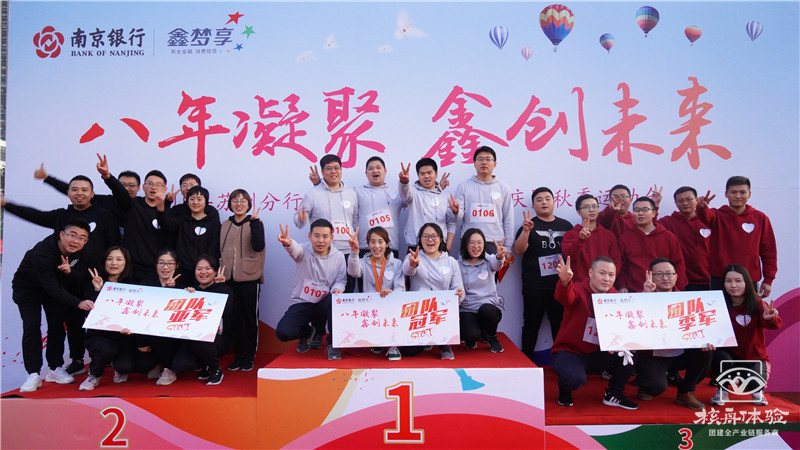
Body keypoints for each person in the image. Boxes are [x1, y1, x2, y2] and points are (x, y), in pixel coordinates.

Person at [2, 175, 120, 375]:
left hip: (92, 274)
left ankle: (104, 358)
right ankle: (75, 360)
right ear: (68, 193)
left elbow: (114, 242)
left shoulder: (104, 214)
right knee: (71, 319)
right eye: (74, 190)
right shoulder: (60, 217)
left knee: (95, 315)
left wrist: (109, 270)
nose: (79, 193)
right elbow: (34, 215)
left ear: (92, 193)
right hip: (61, 277)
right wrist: (7, 205)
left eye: (84, 190)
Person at [13, 220, 95, 392]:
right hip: (28, 289)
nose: (76, 241)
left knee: (57, 325)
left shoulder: (84, 251)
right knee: (31, 326)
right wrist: (77, 302)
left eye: (81, 238)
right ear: (61, 235)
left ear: (86, 241)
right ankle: (33, 373)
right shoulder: (42, 253)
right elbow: (51, 287)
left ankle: (54, 368)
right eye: (72, 235)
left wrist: (70, 272)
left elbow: (82, 276)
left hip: (56, 289)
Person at [551, 255, 638, 410]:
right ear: (590, 273)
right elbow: (565, 297)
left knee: (631, 348)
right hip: (571, 352)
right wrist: (565, 282)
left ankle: (614, 394)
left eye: (611, 275)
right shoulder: (578, 289)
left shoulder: (616, 297)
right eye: (602, 273)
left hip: (600, 354)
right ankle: (565, 388)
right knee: (574, 379)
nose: (607, 279)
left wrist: (647, 294)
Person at [634, 258, 712, 410]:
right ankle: (644, 384)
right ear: (650, 276)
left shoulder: (688, 301)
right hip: (652, 356)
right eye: (659, 274)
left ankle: (686, 391)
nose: (665, 278)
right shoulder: (641, 295)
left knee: (705, 350)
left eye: (669, 274)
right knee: (654, 387)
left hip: (680, 353)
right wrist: (645, 297)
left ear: (676, 277)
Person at [80, 247, 158, 390]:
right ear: (104, 262)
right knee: (106, 350)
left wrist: (136, 335)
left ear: (126, 263)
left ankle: (118, 366)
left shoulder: (134, 286)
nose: (113, 263)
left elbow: (139, 315)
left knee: (140, 365)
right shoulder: (93, 283)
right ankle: (94, 374)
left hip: (125, 337)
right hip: (101, 336)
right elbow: (90, 315)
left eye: (119, 259)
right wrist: (98, 291)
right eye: (109, 259)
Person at [513, 187, 573, 361]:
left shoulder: (566, 226)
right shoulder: (528, 225)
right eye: (539, 200)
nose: (544, 202)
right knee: (531, 325)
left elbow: (574, 252)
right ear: (533, 205)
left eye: (547, 198)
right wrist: (526, 231)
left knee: (560, 325)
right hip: (534, 286)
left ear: (554, 202)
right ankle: (526, 362)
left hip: (560, 286)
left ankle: (562, 363)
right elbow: (518, 250)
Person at [710, 264, 782, 406]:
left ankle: (757, 391)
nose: (733, 285)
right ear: (723, 284)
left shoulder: (757, 303)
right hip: (728, 356)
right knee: (718, 357)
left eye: (738, 281)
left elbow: (775, 324)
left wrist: (769, 318)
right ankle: (723, 390)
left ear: (747, 283)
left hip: (754, 357)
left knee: (752, 384)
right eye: (728, 281)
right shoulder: (717, 304)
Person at [276, 219, 347, 361]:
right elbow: (295, 249)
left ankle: (333, 345)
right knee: (283, 332)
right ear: (310, 236)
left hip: (324, 302)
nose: (321, 240)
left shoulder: (339, 256)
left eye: (325, 236)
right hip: (303, 302)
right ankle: (308, 332)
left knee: (334, 300)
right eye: (317, 236)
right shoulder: (303, 251)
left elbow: (341, 280)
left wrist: (337, 289)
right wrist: (288, 243)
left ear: (331, 238)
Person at [696, 176, 777, 298]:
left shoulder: (760, 218)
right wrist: (702, 208)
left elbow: (769, 252)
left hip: (749, 278)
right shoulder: (716, 215)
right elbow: (704, 217)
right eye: (733, 192)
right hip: (720, 278)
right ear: (726, 194)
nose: (738, 196)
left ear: (749, 194)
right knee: (722, 310)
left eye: (742, 192)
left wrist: (768, 280)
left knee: (750, 310)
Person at [95, 153, 168, 281]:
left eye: (158, 184)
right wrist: (107, 176)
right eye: (150, 183)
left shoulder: (167, 212)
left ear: (164, 189)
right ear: (143, 187)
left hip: (154, 270)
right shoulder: (132, 205)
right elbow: (120, 192)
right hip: (130, 268)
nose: (153, 187)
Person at [294, 154, 358, 294]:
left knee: (345, 295)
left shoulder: (351, 194)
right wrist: (301, 219)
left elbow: (354, 220)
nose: (333, 172)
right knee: (321, 295)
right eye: (329, 168)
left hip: (347, 252)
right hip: (322, 253)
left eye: (336, 168)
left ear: (341, 170)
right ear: (322, 172)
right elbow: (298, 220)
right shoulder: (313, 194)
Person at [403, 223, 464, 360]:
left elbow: (459, 289)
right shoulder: (413, 257)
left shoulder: (451, 261)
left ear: (441, 239)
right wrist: (413, 264)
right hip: (419, 313)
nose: (430, 240)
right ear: (420, 240)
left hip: (441, 312)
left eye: (434, 236)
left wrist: (458, 295)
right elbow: (407, 270)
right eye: (425, 236)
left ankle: (445, 345)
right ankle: (427, 339)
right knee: (408, 352)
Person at [220, 189, 266, 371]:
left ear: (248, 204)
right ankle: (238, 356)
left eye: (242, 201)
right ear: (229, 204)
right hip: (228, 279)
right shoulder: (225, 224)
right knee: (234, 320)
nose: (238, 204)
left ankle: (249, 357)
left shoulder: (256, 223)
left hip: (249, 277)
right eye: (235, 201)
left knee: (251, 319)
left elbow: (258, 246)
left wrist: (254, 224)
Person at [346, 226, 405, 360]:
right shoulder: (363, 262)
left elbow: (400, 288)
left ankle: (393, 344)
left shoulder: (397, 263)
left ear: (387, 244)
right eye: (372, 242)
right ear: (368, 244)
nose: (376, 246)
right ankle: (375, 339)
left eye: (380, 241)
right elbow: (353, 272)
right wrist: (354, 252)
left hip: (390, 306)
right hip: (370, 307)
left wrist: (391, 293)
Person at [33, 162, 139, 226]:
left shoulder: (142, 205)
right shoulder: (105, 201)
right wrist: (48, 178)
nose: (126, 189)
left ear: (139, 188)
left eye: (131, 185)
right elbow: (75, 192)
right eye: (122, 185)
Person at [617, 197, 687, 293]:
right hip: (635, 291)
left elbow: (679, 264)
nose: (640, 213)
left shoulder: (668, 237)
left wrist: (677, 288)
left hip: (665, 292)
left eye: (645, 210)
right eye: (636, 210)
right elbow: (622, 266)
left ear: (654, 213)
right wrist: (622, 286)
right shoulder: (625, 238)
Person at [453, 146, 514, 254]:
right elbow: (458, 216)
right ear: (474, 163)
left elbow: (508, 219)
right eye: (480, 159)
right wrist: (456, 211)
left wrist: (508, 247)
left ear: (494, 164)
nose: (484, 162)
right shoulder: (463, 186)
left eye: (488, 159)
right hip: (469, 241)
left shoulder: (503, 188)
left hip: (494, 242)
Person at [156, 185, 221, 285]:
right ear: (187, 202)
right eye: (192, 199)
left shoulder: (214, 223)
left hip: (203, 273)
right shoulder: (182, 220)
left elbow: (214, 248)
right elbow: (166, 224)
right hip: (182, 272)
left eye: (199, 199)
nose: (195, 202)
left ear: (206, 202)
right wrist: (161, 207)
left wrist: (208, 269)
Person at [140, 250, 187, 386]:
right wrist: (141, 341)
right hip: (150, 334)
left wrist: (173, 290)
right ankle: (158, 363)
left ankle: (169, 368)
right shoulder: (145, 285)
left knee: (184, 364)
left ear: (176, 265)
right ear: (156, 265)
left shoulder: (183, 286)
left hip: (175, 336)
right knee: (142, 365)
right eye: (161, 263)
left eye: (170, 263)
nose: (165, 267)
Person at [458, 228, 507, 353]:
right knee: (470, 335)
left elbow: (497, 264)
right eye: (472, 242)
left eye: (479, 242)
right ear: (465, 244)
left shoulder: (489, 259)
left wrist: (500, 256)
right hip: (467, 309)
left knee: (487, 311)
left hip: (487, 307)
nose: (476, 246)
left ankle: (491, 336)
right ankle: (474, 336)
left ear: (484, 244)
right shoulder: (457, 264)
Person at [658, 187, 711, 291]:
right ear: (675, 203)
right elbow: (650, 226)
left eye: (689, 199)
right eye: (680, 200)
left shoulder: (708, 220)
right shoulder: (667, 222)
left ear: (696, 200)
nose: (685, 203)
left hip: (709, 280)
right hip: (681, 281)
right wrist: (655, 205)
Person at [398, 158, 456, 252]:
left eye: (429, 173)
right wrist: (404, 183)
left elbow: (451, 222)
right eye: (422, 174)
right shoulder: (413, 192)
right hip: (416, 246)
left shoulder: (446, 196)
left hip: (439, 247)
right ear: (418, 175)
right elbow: (405, 195)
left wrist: (447, 246)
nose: (426, 176)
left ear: (436, 174)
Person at [561, 194, 621, 284]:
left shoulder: (608, 235)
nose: (591, 210)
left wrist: (608, 279)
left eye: (594, 206)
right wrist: (580, 240)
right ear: (579, 212)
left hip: (605, 285)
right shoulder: (571, 235)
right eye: (586, 207)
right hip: (580, 286)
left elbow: (616, 261)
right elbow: (568, 256)